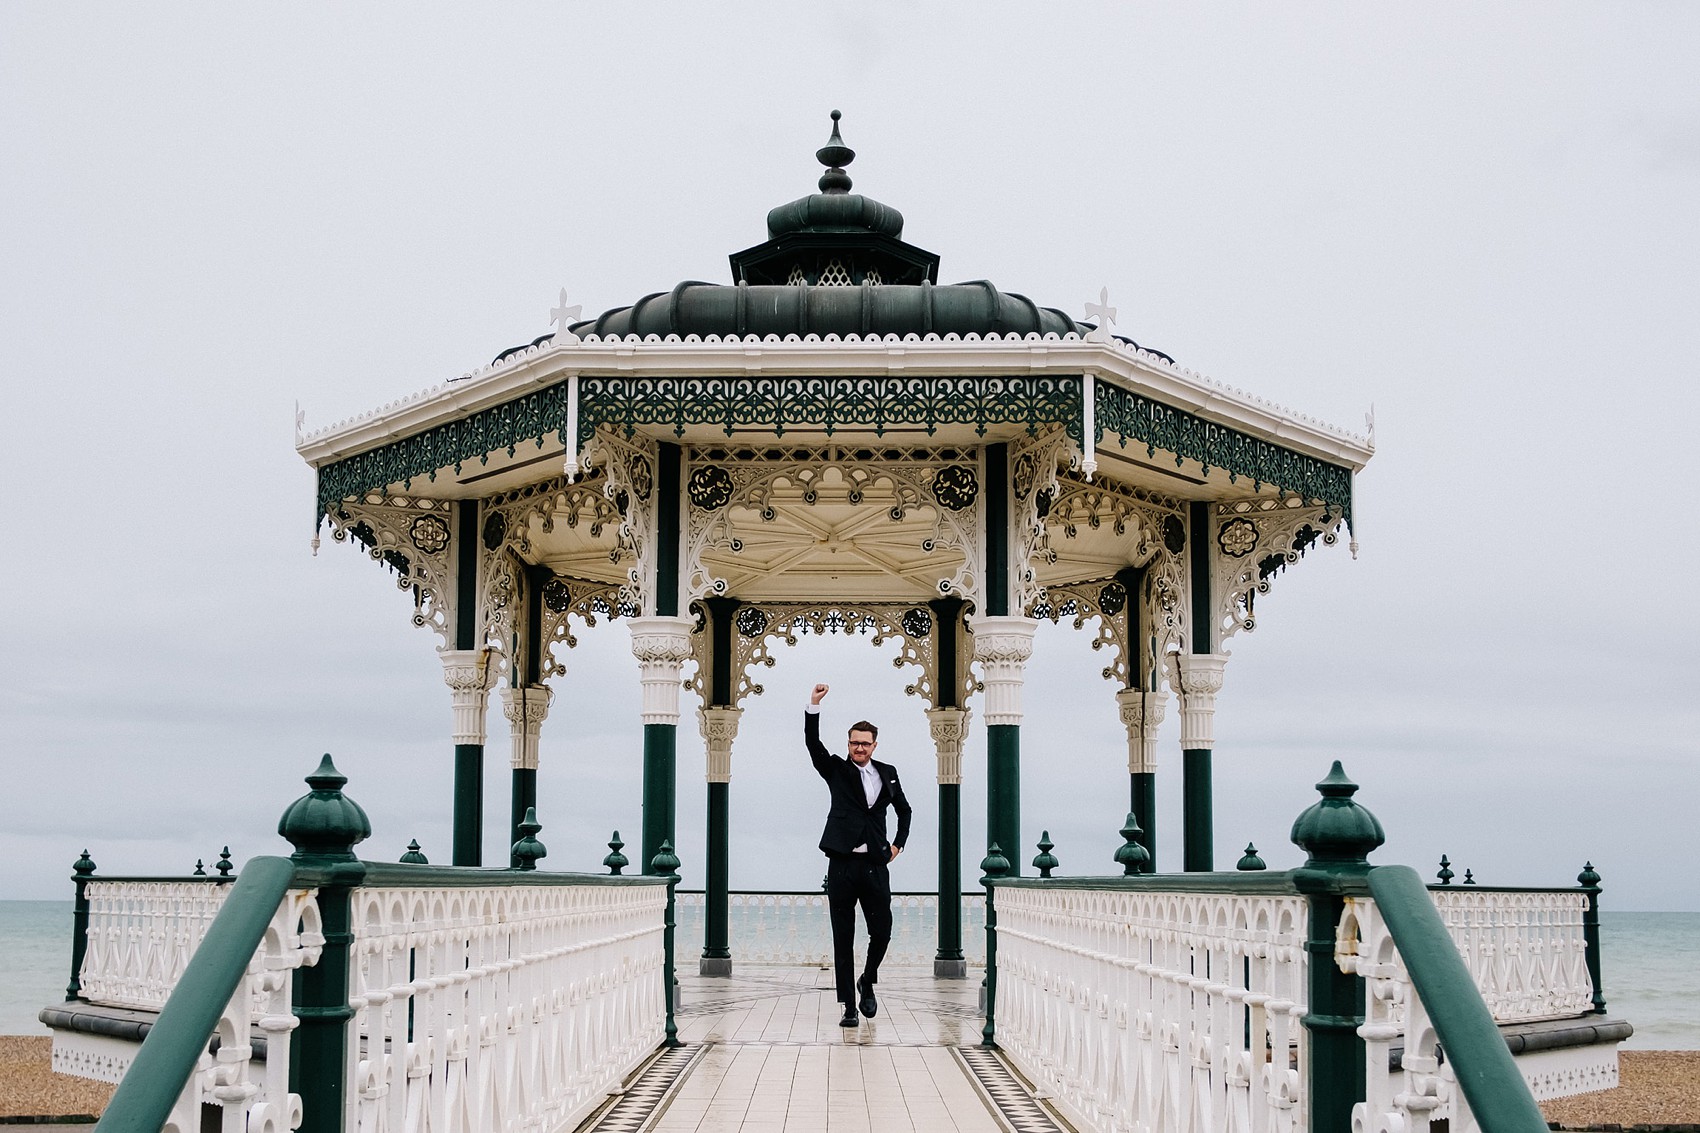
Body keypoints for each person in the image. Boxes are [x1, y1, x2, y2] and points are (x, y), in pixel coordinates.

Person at [806, 682, 912, 1028]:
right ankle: (849, 1007)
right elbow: (813, 745)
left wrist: (898, 845)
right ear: (848, 744)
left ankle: (867, 979)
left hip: (875, 865)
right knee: (843, 938)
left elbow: (905, 811)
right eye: (854, 743)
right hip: (841, 864)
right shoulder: (837, 769)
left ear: (874, 745)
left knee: (882, 931)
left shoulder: (889, 773)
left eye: (865, 743)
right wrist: (814, 706)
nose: (859, 748)